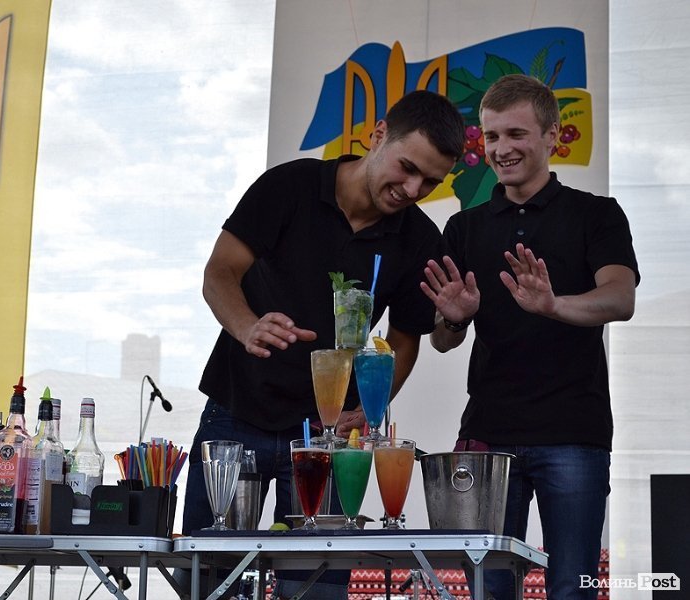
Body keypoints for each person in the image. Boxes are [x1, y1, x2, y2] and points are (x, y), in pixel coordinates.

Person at [182, 89, 465, 599]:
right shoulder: (289, 186)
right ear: (378, 135)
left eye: (430, 181)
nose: (412, 189)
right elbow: (219, 271)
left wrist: (369, 410)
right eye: (406, 168)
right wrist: (247, 327)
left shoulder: (420, 240)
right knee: (207, 579)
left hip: (327, 438)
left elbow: (404, 341)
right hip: (236, 411)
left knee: (316, 588)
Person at [420, 74, 639, 600]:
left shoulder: (596, 214)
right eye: (492, 136)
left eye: (516, 134)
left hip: (574, 433)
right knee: (489, 590)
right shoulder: (464, 228)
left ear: (551, 136)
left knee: (572, 587)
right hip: (489, 434)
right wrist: (454, 319)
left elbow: (620, 298)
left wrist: (553, 304)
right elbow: (442, 341)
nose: (501, 149)